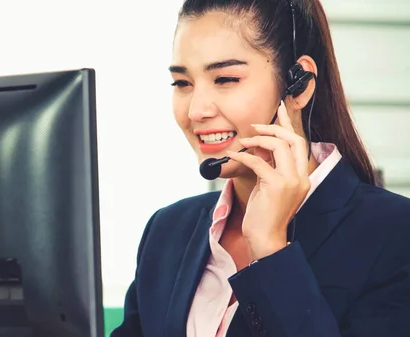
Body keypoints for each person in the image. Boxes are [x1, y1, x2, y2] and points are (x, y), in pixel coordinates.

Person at [110, 0, 410, 336]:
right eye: (182, 83)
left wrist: (270, 249)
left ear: (299, 84)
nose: (196, 110)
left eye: (225, 78)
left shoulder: (395, 233)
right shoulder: (166, 230)